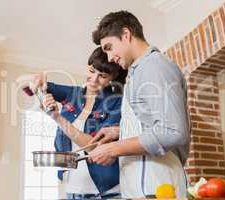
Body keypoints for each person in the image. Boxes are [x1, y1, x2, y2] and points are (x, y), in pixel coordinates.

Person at [88, 10, 190, 198]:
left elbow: (172, 131)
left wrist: (113, 149)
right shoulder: (138, 72)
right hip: (143, 187)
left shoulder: (154, 66)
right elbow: (151, 121)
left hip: (156, 187)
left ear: (126, 35)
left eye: (109, 47)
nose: (110, 58)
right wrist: (118, 132)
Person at [34, 47, 127, 199]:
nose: (94, 79)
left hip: (106, 192)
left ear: (112, 78)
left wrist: (57, 118)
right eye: (91, 71)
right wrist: (38, 86)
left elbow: (96, 147)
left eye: (102, 76)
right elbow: (30, 85)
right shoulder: (72, 94)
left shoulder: (116, 102)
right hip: (73, 190)